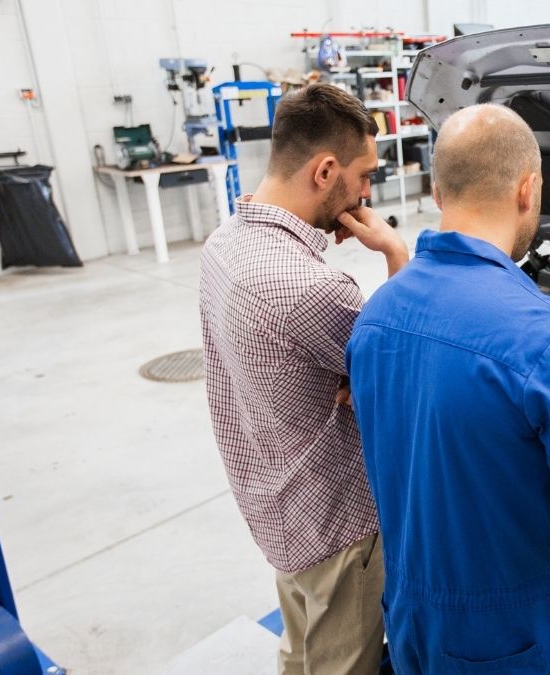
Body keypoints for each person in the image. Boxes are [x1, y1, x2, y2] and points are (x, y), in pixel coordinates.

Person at [346, 104, 550, 673]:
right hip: (522, 645)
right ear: (528, 188)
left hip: (413, 626)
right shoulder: (547, 342)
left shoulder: (376, 318)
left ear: (439, 193)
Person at [199, 83, 408, 675]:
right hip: (338, 526)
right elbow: (405, 372)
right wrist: (395, 254)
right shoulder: (314, 289)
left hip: (279, 506)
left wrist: (352, 375)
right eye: (363, 174)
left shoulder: (222, 247)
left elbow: (356, 363)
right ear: (324, 171)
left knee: (304, 647)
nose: (367, 192)